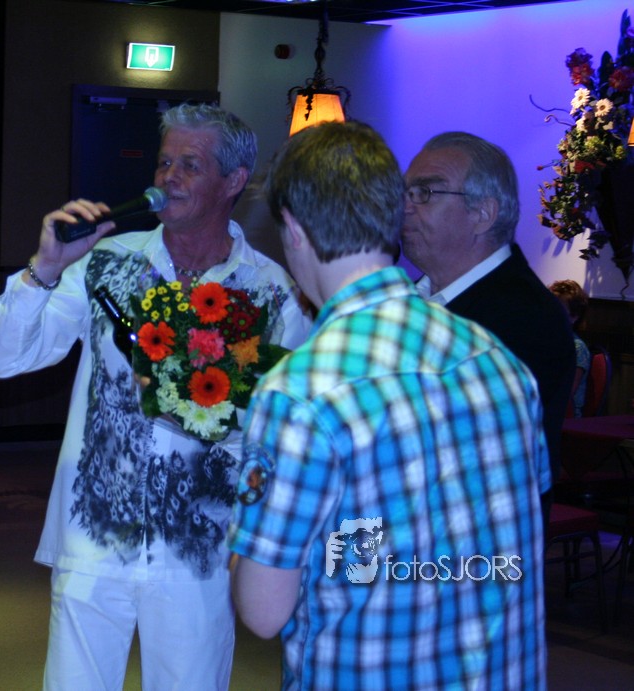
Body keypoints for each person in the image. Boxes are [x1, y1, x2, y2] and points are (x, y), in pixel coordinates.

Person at [0, 102, 311, 690]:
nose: (169, 178)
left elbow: (286, 431)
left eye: (190, 165)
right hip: (92, 536)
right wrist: (44, 269)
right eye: (164, 163)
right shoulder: (107, 262)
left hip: (199, 550)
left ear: (234, 180)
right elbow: (1, 359)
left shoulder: (270, 291)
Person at [227, 120, 549, 690]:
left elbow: (262, 611)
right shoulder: (497, 359)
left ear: (294, 229)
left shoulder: (302, 391)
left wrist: (242, 547)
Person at [398, 131, 575, 528]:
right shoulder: (409, 299)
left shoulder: (525, 318)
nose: (405, 208)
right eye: (405, 193)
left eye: (425, 193)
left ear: (483, 213)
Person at [548, 279, 591, 417]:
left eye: (558, 309)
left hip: (565, 417)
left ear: (574, 317)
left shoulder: (577, 348)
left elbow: (565, 393)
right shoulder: (544, 342)